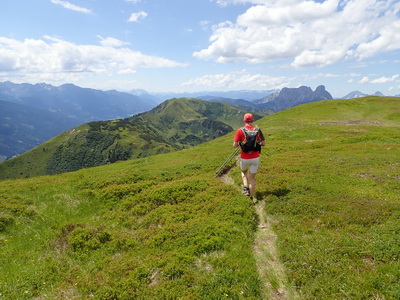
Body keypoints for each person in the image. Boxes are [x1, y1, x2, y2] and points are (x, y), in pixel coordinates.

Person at [233, 113, 266, 198]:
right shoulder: (258, 130)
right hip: (255, 157)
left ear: (244, 120)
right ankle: (251, 196)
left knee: (244, 172)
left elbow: (235, 145)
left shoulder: (240, 130)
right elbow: (263, 143)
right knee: (252, 178)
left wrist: (241, 143)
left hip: (245, 157)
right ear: (252, 120)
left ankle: (245, 188)